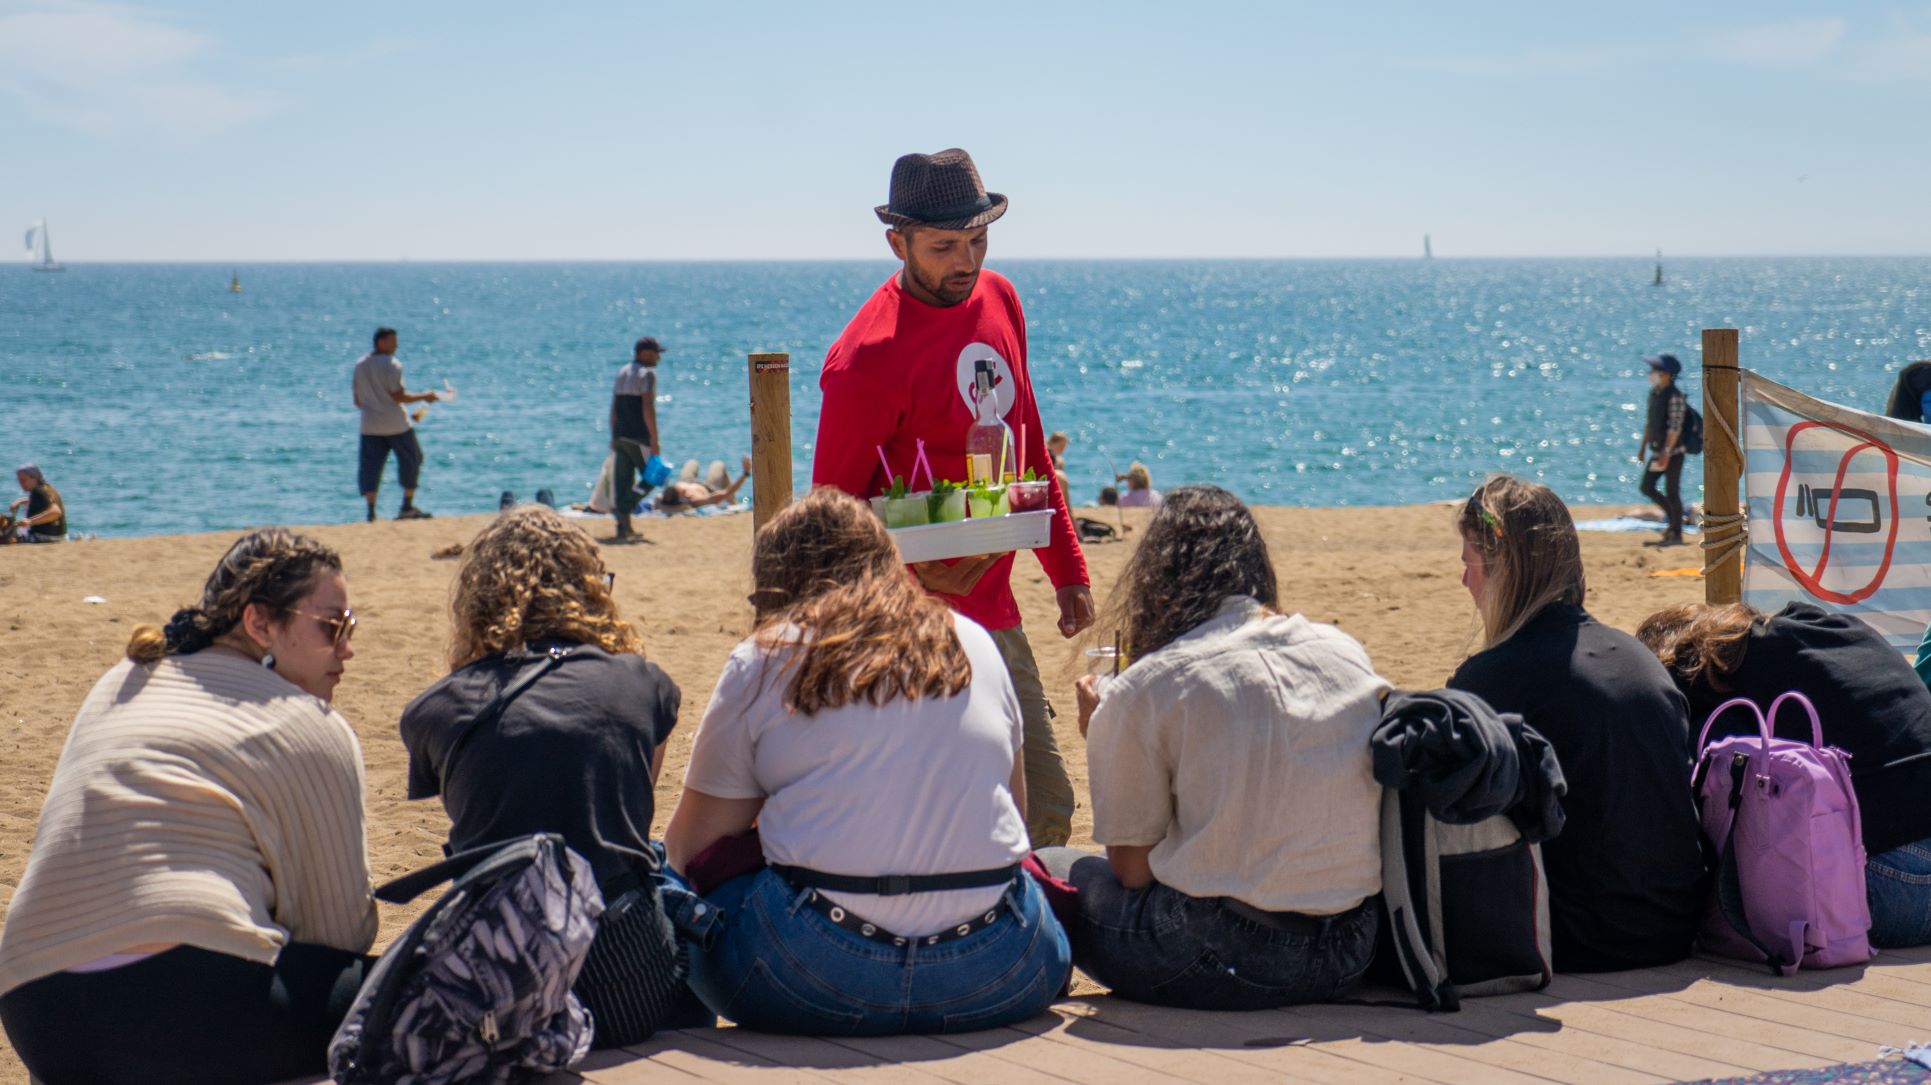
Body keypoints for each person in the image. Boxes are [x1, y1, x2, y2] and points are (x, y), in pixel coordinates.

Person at [664, 488, 1071, 1035]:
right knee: (1063, 869)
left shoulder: (767, 657)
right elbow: (1014, 824)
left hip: (814, 972)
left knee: (674, 889)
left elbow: (691, 850)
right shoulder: (973, 641)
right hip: (997, 966)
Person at [0, 530, 376, 1084]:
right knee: (421, 991)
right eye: (332, 626)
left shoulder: (121, 680)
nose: (347, 646)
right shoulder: (309, 724)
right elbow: (339, 931)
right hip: (189, 1004)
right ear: (259, 623)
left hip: (38, 1012)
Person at [812, 148, 1093, 848]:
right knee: (929, 818)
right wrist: (911, 576)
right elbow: (828, 524)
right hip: (901, 630)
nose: (966, 260)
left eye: (978, 239)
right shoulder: (865, 358)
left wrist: (1069, 572)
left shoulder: (1001, 298)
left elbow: (1027, 442)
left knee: (1047, 806)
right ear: (896, 243)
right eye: (944, 246)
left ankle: (1026, 949)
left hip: (996, 613)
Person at [1038, 486, 1385, 1009]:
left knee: (1050, 865)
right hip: (1349, 948)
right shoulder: (1342, 650)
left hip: (1223, 955)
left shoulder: (1155, 684)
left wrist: (1106, 733)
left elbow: (1134, 870)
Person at [400, 505, 703, 1045]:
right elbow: (634, 806)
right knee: (659, 860)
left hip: (502, 991)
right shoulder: (643, 685)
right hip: (623, 989)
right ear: (591, 591)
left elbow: (475, 810)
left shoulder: (438, 709)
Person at [1445, 476, 1705, 972]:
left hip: (1577, 940)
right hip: (1674, 927)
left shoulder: (1491, 679)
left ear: (1503, 568)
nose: (1464, 581)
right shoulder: (1638, 660)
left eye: (1469, 564)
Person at [1641, 602, 1931, 948]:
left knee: (1717, 751)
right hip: (1911, 877)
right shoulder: (1837, 628)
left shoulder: (1699, 675)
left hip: (1901, 889)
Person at [352, 326, 439, 522]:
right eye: (392, 341)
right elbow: (398, 396)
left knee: (370, 467)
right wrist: (425, 396)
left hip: (369, 425)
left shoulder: (360, 365)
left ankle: (371, 511)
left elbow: (357, 400)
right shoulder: (392, 364)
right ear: (381, 342)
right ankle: (406, 507)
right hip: (396, 424)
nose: (396, 344)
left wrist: (373, 406)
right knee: (412, 460)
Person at [609, 337, 665, 543]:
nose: (658, 357)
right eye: (656, 352)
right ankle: (623, 507)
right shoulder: (647, 374)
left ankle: (623, 528)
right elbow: (647, 408)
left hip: (620, 435)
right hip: (638, 436)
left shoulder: (621, 372)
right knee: (653, 477)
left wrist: (613, 434)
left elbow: (614, 408)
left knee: (623, 481)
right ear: (644, 353)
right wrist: (655, 440)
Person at [1637, 353, 1688, 547]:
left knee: (1672, 492)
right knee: (1647, 487)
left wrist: (1667, 452)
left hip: (1674, 453)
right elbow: (1650, 424)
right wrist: (1643, 448)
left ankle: (1676, 532)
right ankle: (1675, 520)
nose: (1651, 373)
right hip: (1658, 451)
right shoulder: (1655, 393)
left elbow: (1675, 428)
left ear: (1667, 374)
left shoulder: (1675, 396)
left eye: (1655, 370)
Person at [658, 456, 751, 511]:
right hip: (709, 487)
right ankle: (733, 502)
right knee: (718, 464)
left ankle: (732, 501)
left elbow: (657, 502)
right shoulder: (695, 500)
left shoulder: (669, 493)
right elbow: (727, 492)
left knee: (691, 462)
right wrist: (745, 473)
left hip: (687, 481)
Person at [6, 464, 65, 543]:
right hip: (60, 536)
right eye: (19, 481)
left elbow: (56, 512)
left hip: (44, 537)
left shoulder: (38, 492)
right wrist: (19, 501)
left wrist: (30, 521)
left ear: (34, 478)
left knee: (7, 534)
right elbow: (43, 502)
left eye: (24, 480)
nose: (21, 484)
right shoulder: (48, 488)